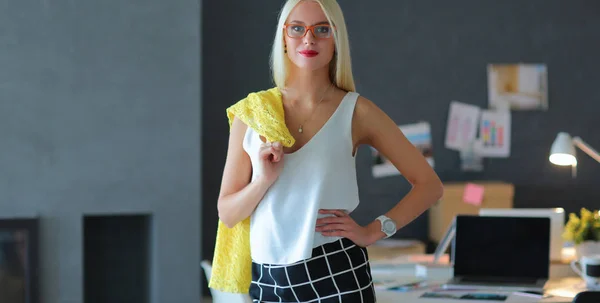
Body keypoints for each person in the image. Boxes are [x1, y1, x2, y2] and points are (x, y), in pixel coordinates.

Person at [217, 0, 443, 302]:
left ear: (336, 39)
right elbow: (228, 214)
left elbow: (430, 186)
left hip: (337, 271)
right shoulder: (252, 114)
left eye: (322, 29)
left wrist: (373, 231)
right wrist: (262, 181)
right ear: (283, 37)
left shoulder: (357, 111)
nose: (308, 39)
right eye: (297, 28)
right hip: (268, 278)